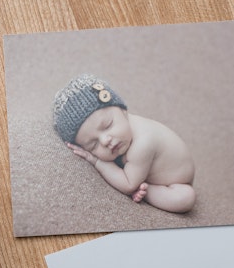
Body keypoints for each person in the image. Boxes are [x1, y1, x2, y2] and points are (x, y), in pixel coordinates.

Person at [53, 73, 196, 213]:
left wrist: (97, 161)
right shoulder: (122, 135)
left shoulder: (143, 142)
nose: (105, 140)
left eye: (107, 125)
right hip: (142, 169)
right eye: (93, 145)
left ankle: (149, 191)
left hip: (177, 182)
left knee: (185, 198)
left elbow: (128, 184)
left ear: (123, 110)